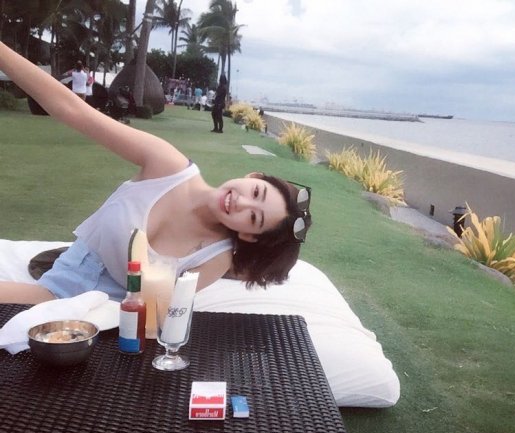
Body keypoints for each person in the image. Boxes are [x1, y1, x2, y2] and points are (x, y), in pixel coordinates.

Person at [0, 42, 312, 304]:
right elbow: (72, 109)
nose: (241, 203)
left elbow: (160, 312)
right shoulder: (169, 166)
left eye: (254, 217)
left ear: (248, 235)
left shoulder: (216, 257)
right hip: (62, 285)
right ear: (253, 177)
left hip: (114, 317)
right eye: (256, 192)